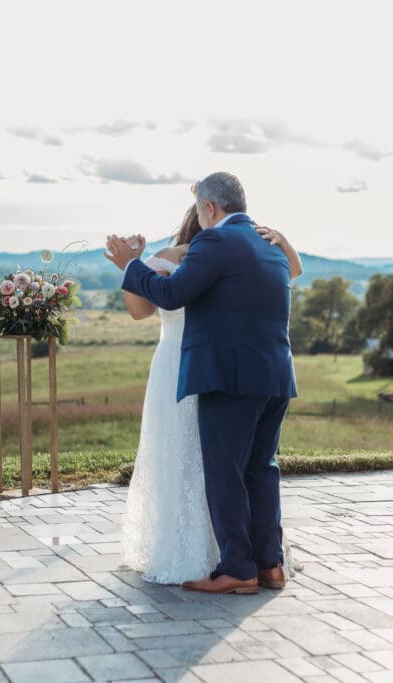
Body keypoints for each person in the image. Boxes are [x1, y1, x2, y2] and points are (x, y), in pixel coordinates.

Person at [106, 172, 298, 594]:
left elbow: (173, 295)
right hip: (276, 376)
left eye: (199, 208)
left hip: (229, 378)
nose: (198, 216)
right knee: (262, 471)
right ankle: (272, 565)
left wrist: (130, 267)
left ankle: (238, 570)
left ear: (210, 208)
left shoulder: (216, 241)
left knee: (225, 473)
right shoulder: (271, 245)